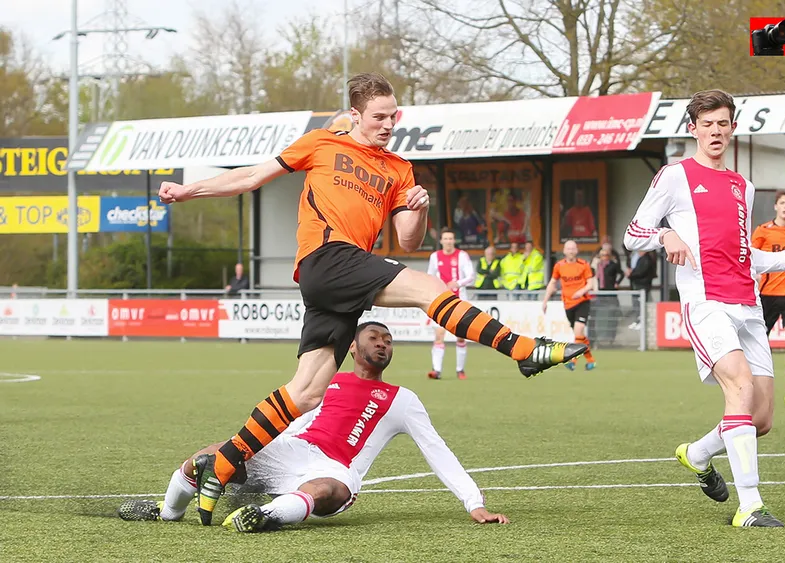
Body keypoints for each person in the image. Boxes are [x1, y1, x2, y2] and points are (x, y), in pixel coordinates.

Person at [157, 73, 585, 525]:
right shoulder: (322, 143)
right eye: (379, 116)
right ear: (356, 115)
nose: (388, 124)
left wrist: (420, 208)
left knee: (307, 392)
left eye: (393, 116)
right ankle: (522, 350)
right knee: (428, 289)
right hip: (326, 257)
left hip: (344, 280)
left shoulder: (399, 169)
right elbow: (251, 176)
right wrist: (187, 191)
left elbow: (408, 239)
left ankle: (226, 461)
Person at [623, 89, 785, 528]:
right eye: (706, 124)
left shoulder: (744, 186)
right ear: (693, 129)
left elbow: (744, 254)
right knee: (740, 386)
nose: (715, 131)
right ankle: (750, 506)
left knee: (761, 418)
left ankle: (698, 453)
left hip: (748, 303)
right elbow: (633, 234)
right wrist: (665, 235)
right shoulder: (674, 176)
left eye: (722, 123)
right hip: (705, 303)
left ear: (732, 129)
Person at [117, 322, 509, 532]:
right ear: (352, 347)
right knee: (208, 456)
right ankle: (168, 512)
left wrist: (473, 503)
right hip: (292, 449)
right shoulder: (327, 379)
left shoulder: (401, 399)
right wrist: (256, 454)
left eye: (388, 341)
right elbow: (292, 416)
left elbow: (437, 450)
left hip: (335, 468)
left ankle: (263, 516)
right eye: (374, 337)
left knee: (325, 491)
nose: (383, 344)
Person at [750, 190, 785, 405]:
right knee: (758, 341)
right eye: (782, 203)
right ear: (776, 206)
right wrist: (755, 275)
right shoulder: (763, 231)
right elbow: (751, 256)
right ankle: (752, 383)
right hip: (768, 294)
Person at [427, 228, 476, 380]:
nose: (448, 241)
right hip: (441, 300)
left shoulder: (462, 256)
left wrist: (458, 283)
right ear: (441, 241)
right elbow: (430, 276)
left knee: (460, 336)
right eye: (446, 239)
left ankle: (460, 370)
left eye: (450, 239)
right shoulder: (435, 257)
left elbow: (471, 276)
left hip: (459, 301)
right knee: (439, 335)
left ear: (454, 241)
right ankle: (436, 370)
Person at [542, 240, 599, 371]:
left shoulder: (584, 265)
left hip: (582, 302)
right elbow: (552, 283)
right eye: (568, 249)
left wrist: (581, 292)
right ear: (564, 251)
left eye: (573, 248)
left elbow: (590, 284)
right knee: (580, 336)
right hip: (568, 304)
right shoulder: (559, 266)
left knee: (578, 330)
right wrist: (545, 301)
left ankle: (572, 361)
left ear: (577, 250)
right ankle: (591, 361)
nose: (571, 251)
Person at [627, 250, 656, 330]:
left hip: (642, 285)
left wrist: (631, 274)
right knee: (636, 304)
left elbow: (640, 272)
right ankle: (637, 320)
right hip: (637, 285)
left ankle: (642, 322)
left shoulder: (646, 259)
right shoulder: (640, 259)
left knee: (641, 304)